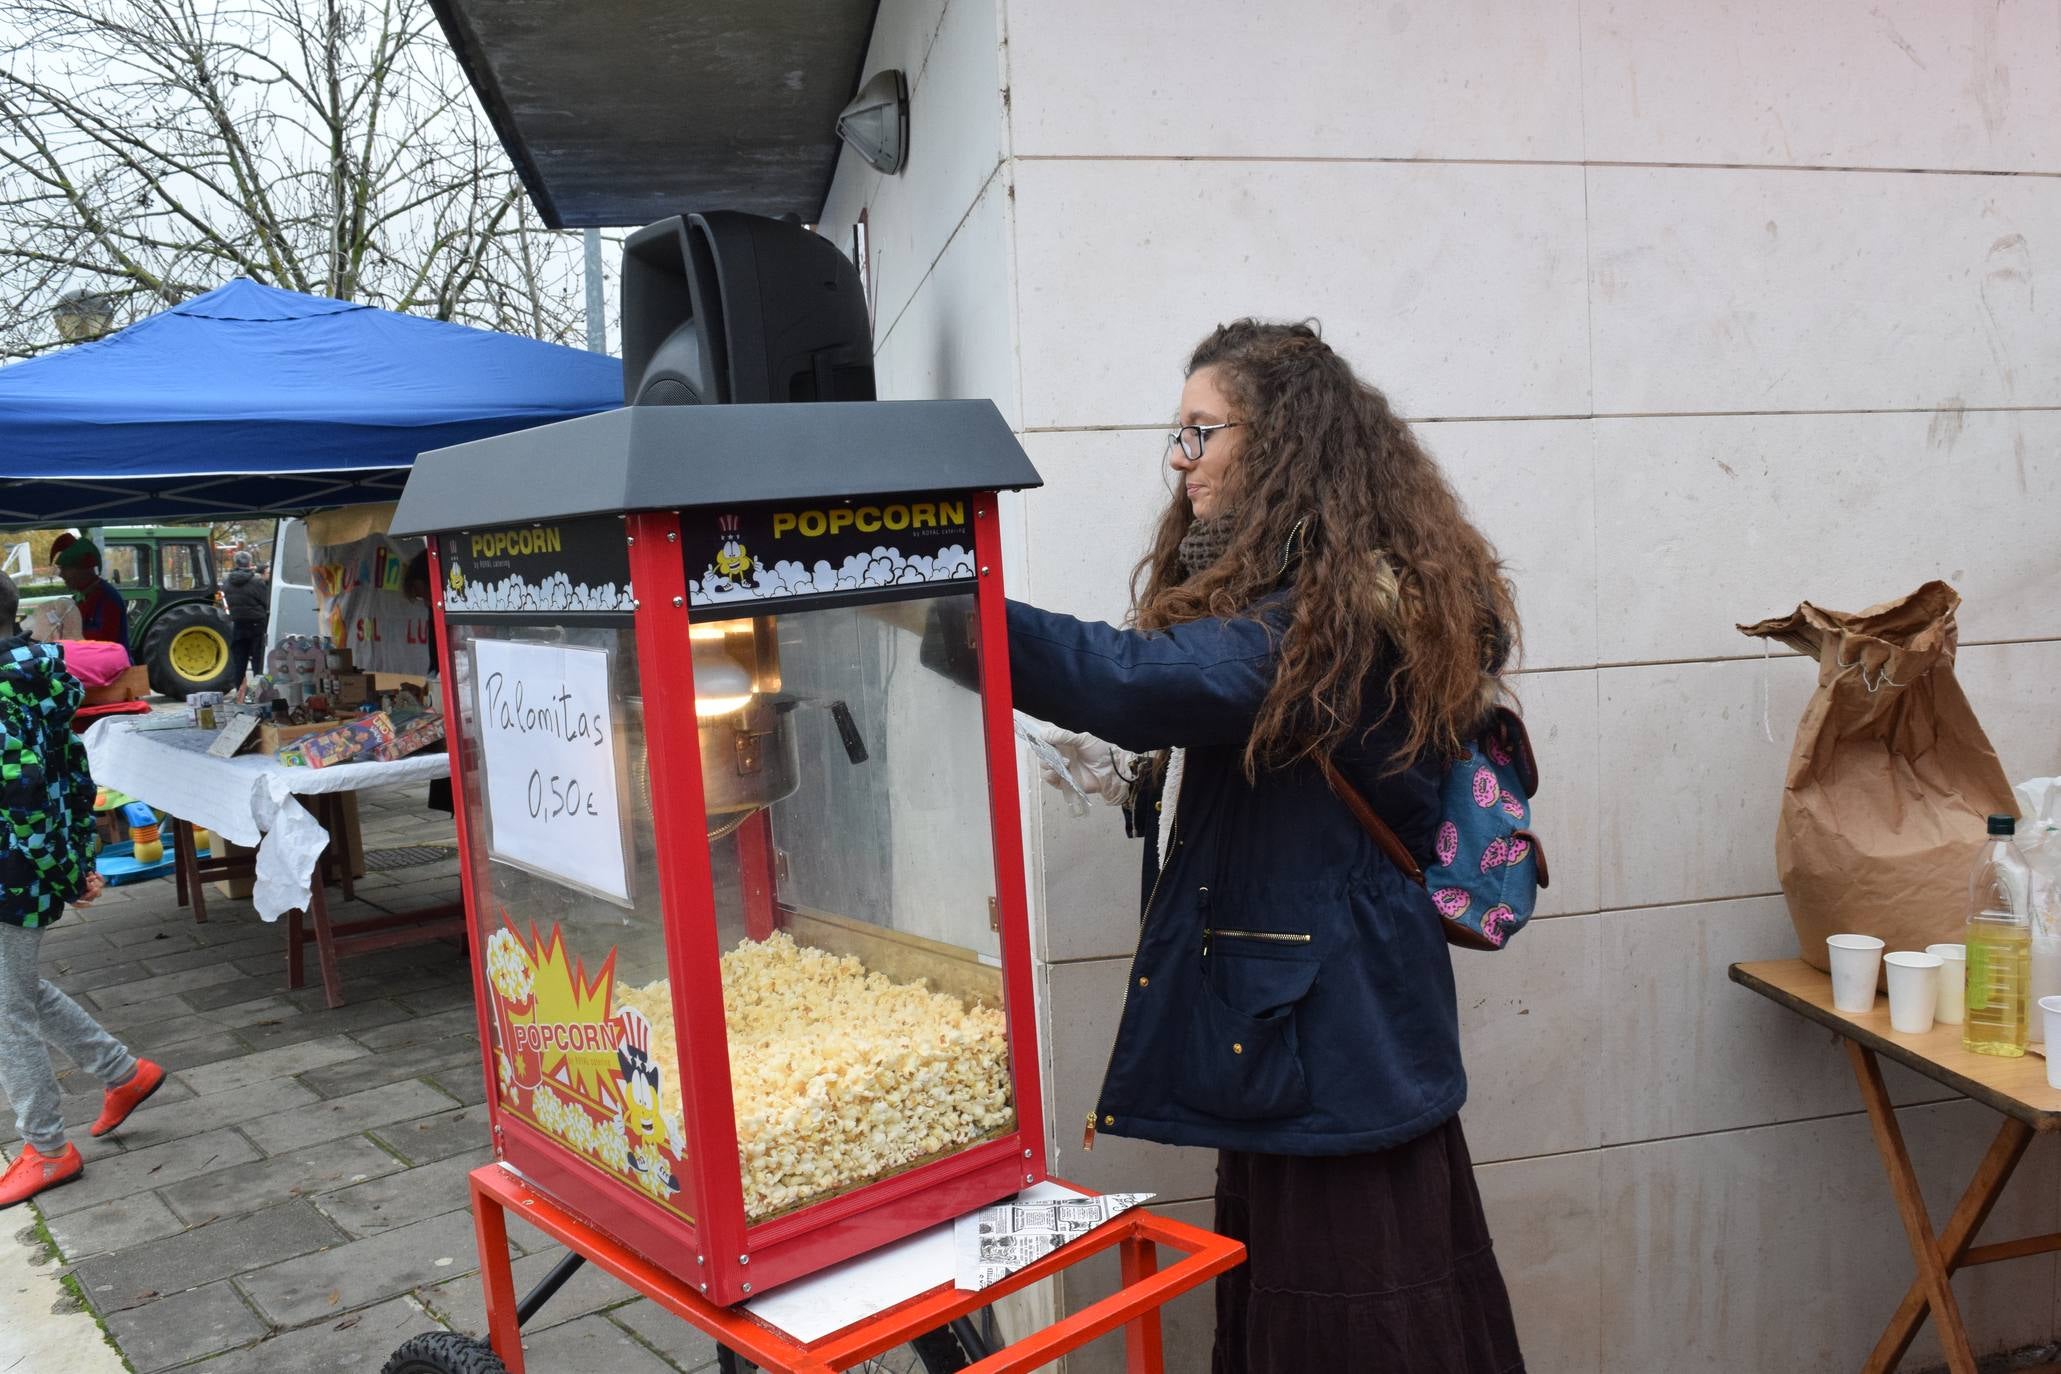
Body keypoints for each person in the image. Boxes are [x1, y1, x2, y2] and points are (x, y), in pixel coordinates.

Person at [1007, 320, 1526, 1373]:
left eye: (1202, 430)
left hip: (1335, 1049)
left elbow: (1132, 682)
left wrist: (940, 600)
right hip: (1311, 1039)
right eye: (1178, 432)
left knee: (1356, 1325)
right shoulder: (1333, 593)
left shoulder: (1331, 623)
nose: (1179, 459)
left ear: (1283, 443)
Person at [0, 571, 165, 1209]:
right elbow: (70, 778)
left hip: (11, 875)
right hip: (28, 868)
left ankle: (46, 1149)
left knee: (6, 1012)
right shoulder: (37, 680)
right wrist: (75, 862)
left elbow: (25, 796)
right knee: (17, 988)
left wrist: (70, 872)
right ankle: (123, 1073)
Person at [54, 540, 128, 648]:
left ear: (84, 570)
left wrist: (64, 635)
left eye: (66, 569)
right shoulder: (80, 596)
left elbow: (104, 641)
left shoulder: (107, 599)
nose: (61, 575)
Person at [219, 550, 270, 701]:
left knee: (239, 662)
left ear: (236, 563)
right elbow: (266, 602)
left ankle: (240, 693)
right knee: (257, 662)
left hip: (238, 625)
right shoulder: (256, 582)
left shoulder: (227, 582)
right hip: (257, 625)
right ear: (249, 563)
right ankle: (258, 693)